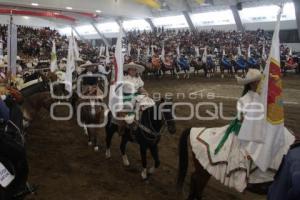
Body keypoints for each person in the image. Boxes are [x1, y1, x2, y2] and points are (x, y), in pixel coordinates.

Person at [189, 68, 295, 192]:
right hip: (247, 132)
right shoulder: (244, 100)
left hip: (262, 129)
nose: (261, 83)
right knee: (250, 152)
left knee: (285, 138)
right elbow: (243, 121)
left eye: (261, 81)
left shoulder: (263, 97)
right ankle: (252, 178)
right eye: (258, 82)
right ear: (251, 84)